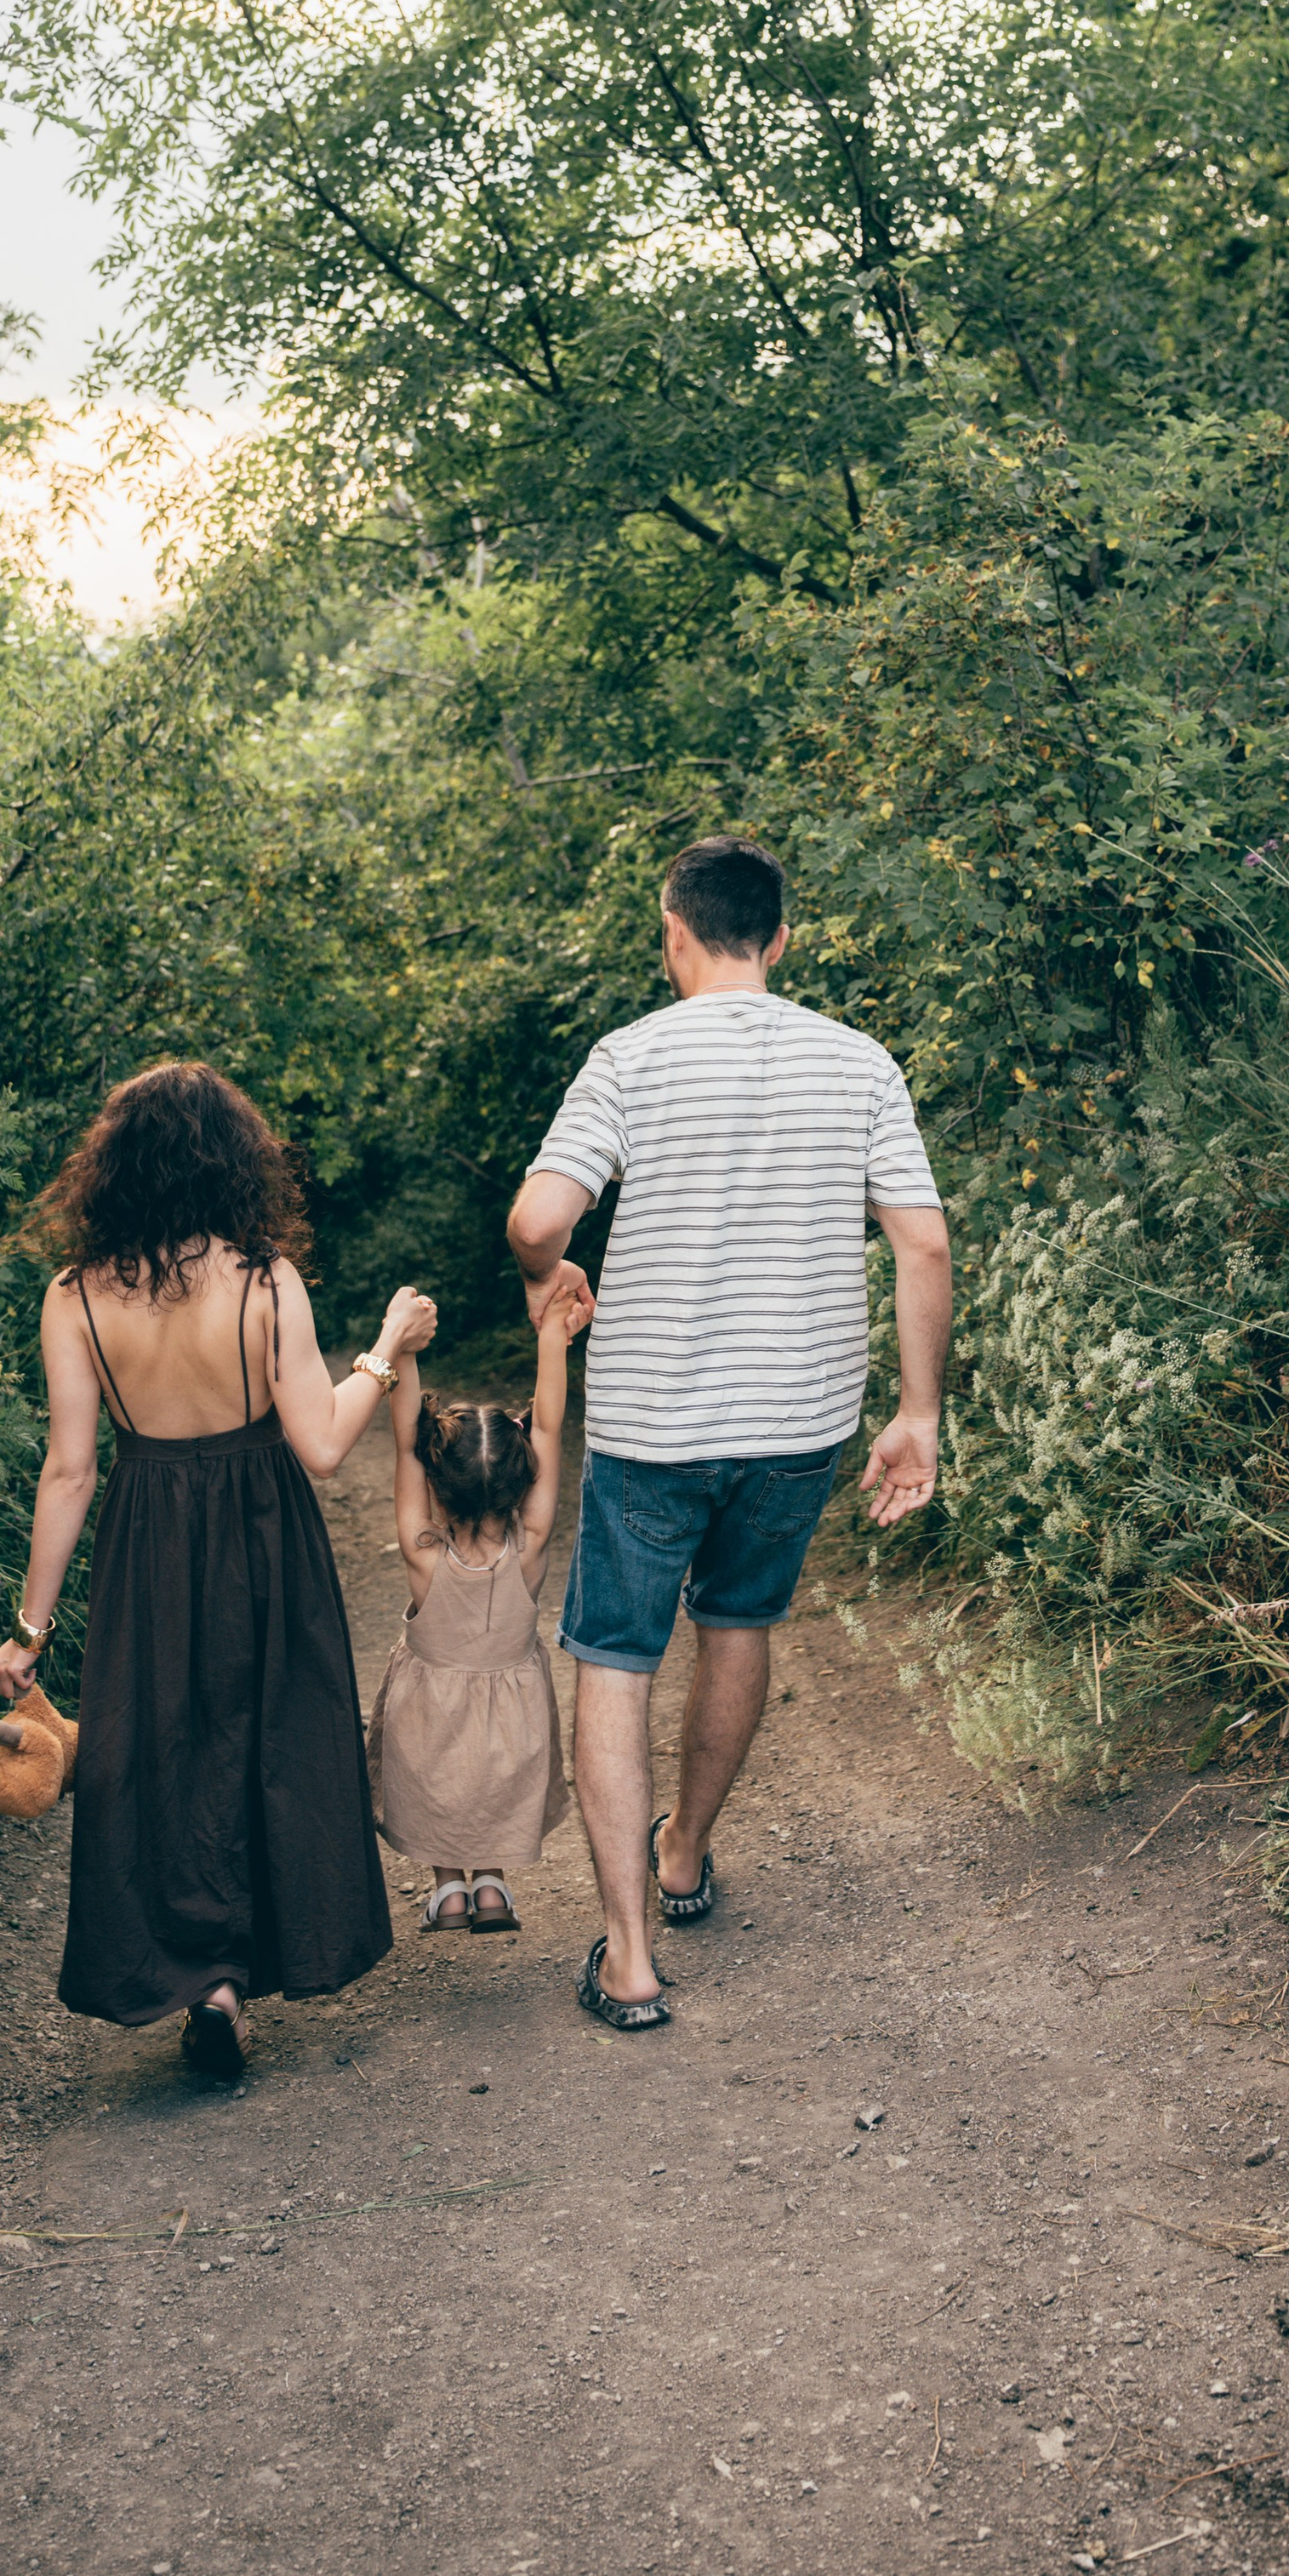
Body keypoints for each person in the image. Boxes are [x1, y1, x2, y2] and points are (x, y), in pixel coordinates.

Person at [505, 835, 951, 2032]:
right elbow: (923, 1244)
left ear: (673, 934)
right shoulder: (859, 1065)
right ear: (782, 940)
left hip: (655, 1424)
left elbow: (538, 1216)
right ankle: (688, 1856)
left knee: (615, 1656)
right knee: (740, 1623)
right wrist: (917, 1414)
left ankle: (632, 1962)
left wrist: (552, 1276)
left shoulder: (631, 1058)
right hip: (797, 1422)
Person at [0, 1061, 436, 2079]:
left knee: (163, 1748)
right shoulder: (263, 1279)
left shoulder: (75, 1298)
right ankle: (249, 1959)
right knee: (267, 1734)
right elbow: (320, 1447)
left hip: (146, 1530)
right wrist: (382, 1352)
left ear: (113, 1171)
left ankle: (206, 1977)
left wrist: (32, 1628)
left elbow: (69, 1470)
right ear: (236, 1162)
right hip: (262, 1523)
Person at [367, 1272, 592, 1930]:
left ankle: (448, 1891)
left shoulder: (422, 1553)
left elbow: (407, 1441)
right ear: (524, 1480)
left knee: (439, 1781)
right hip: (513, 1707)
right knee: (493, 1780)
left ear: (438, 1484)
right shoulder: (532, 1544)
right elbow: (549, 1424)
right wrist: (553, 1334)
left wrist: (404, 1350)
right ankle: (491, 1883)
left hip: (429, 1708)